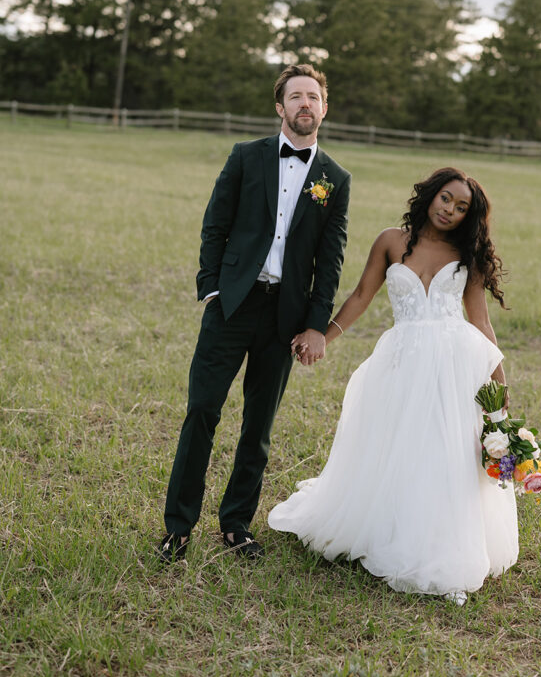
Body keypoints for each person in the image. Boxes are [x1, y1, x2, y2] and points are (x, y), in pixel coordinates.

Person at [269, 167, 518, 600]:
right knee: (396, 445)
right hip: (401, 361)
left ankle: (437, 543)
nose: (450, 211)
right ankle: (388, 528)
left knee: (443, 452)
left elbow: (479, 321)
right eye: (446, 199)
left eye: (461, 208)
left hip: (453, 365)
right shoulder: (390, 241)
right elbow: (362, 295)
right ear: (430, 195)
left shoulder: (466, 254)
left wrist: (498, 386)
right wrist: (323, 336)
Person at [158, 64, 351, 563]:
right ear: (280, 106)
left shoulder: (335, 178)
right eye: (295, 96)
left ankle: (236, 523)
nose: (304, 104)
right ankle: (178, 526)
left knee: (258, 425)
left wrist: (315, 324)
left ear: (324, 108)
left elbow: (329, 260)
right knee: (202, 410)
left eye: (313, 96)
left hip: (285, 318)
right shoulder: (247, 157)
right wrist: (210, 290)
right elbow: (214, 223)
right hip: (233, 305)